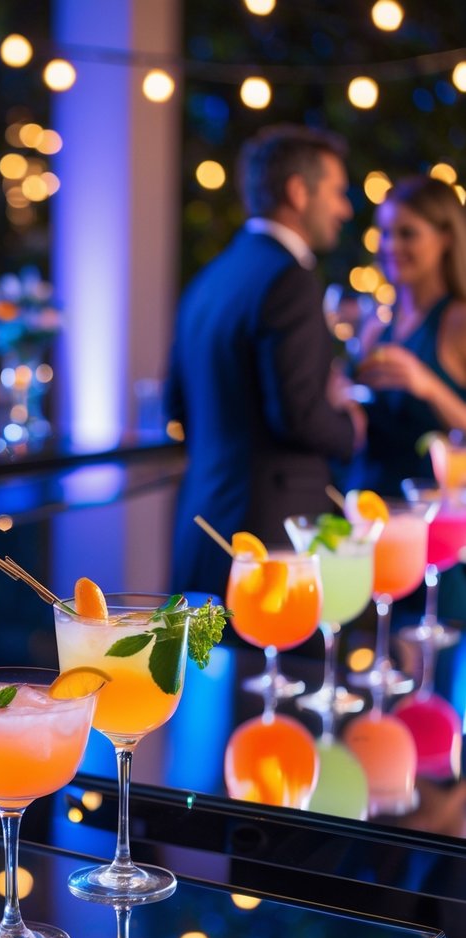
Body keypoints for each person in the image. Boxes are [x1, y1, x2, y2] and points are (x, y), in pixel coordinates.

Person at [165, 124, 367, 600]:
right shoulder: (289, 279)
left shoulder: (212, 277)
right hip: (269, 539)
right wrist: (351, 425)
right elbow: (296, 417)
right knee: (281, 674)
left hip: (203, 524)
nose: (345, 209)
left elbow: (176, 403)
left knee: (210, 675)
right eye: (337, 192)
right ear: (299, 191)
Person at [346, 175, 466, 495]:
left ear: (445, 238)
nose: (391, 246)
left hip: (427, 512)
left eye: (407, 233)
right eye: (385, 233)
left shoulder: (458, 321)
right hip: (364, 506)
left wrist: (428, 386)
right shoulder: (374, 323)